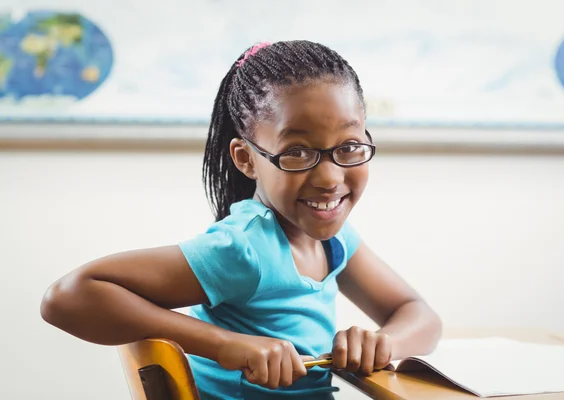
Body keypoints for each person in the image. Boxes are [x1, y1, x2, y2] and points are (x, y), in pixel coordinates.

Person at [41, 40, 442, 399]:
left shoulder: (332, 241)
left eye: (350, 146)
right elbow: (66, 297)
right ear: (246, 159)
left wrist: (382, 342)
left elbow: (420, 315)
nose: (330, 178)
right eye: (297, 152)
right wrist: (222, 344)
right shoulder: (245, 249)